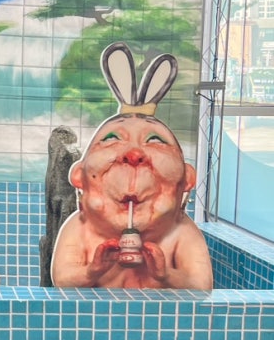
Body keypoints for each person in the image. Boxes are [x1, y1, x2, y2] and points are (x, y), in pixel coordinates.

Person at [51, 42, 213, 289]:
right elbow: (62, 279)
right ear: (79, 176)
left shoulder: (181, 232)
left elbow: (202, 285)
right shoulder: (81, 228)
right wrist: (92, 271)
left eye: (155, 140)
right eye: (113, 139)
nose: (134, 154)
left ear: (186, 178)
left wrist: (166, 275)